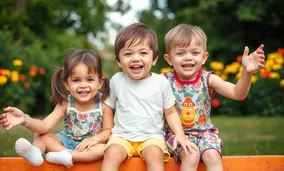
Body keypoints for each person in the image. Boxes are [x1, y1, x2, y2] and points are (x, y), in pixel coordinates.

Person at [162, 24, 265, 171]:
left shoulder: (208, 79)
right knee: (191, 155)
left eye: (195, 53)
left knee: (212, 155)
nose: (188, 57)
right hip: (175, 135)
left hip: (205, 133)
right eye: (180, 53)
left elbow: (238, 93)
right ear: (169, 59)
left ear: (204, 57)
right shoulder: (164, 81)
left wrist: (246, 73)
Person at [100, 23, 198, 171]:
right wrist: (108, 130)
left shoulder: (160, 82)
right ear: (119, 61)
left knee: (155, 155)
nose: (135, 58)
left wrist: (180, 135)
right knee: (111, 154)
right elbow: (108, 106)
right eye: (128, 54)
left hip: (152, 138)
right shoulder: (117, 80)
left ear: (154, 59)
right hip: (121, 137)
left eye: (143, 53)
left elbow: (170, 112)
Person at [0, 50, 114, 168]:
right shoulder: (66, 103)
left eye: (89, 79)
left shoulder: (104, 104)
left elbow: (108, 131)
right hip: (64, 143)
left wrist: (95, 139)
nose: (83, 85)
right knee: (40, 136)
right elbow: (44, 126)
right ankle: (36, 152)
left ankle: (68, 156)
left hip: (90, 147)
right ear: (66, 84)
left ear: (100, 82)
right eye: (76, 80)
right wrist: (25, 119)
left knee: (104, 149)